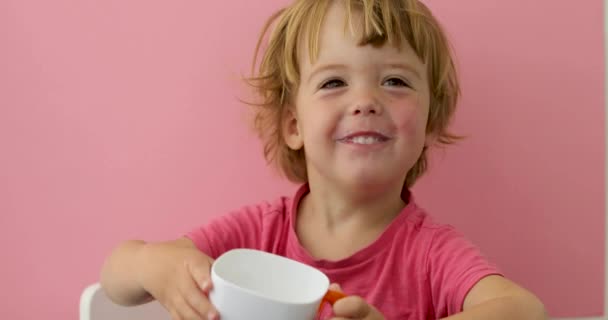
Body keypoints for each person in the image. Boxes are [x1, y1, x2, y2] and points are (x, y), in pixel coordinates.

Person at [100, 0, 548, 319]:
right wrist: (154, 266)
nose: (367, 100)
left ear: (430, 123)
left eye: (395, 80)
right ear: (293, 125)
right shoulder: (256, 235)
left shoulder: (430, 254)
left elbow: (525, 311)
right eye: (334, 83)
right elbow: (117, 276)